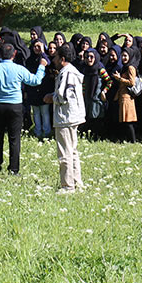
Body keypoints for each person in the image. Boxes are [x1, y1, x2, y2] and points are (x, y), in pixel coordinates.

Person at [0, 43, 47, 174]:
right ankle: (14, 169)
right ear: (14, 54)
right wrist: (41, 66)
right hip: (15, 106)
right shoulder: (19, 69)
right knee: (14, 139)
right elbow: (35, 80)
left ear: (0, 54)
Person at [45, 44, 86, 192]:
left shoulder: (67, 73)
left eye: (55, 57)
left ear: (62, 59)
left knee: (65, 152)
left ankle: (68, 186)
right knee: (73, 151)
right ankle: (76, 182)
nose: (53, 59)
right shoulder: (70, 71)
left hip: (66, 117)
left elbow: (64, 96)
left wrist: (51, 97)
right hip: (72, 116)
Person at [112, 48, 138, 143]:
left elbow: (132, 82)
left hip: (127, 97)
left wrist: (120, 79)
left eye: (125, 56)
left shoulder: (130, 67)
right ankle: (126, 139)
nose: (123, 58)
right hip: (122, 95)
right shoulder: (124, 67)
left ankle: (133, 140)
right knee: (124, 119)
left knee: (128, 120)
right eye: (122, 56)